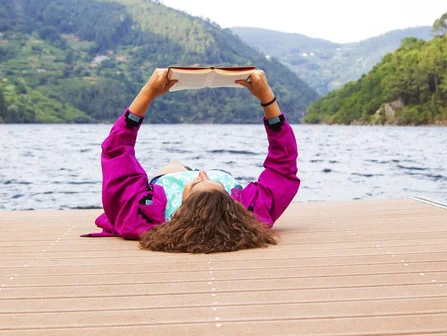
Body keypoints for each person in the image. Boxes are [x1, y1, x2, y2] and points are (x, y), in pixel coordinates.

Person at [84, 68, 300, 254]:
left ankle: (180, 171)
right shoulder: (252, 213)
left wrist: (148, 92)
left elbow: (116, 152)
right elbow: (283, 167)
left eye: (196, 183)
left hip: (168, 178)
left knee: (173, 166)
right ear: (234, 205)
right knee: (181, 167)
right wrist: (267, 98)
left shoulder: (141, 217)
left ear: (181, 210)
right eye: (222, 188)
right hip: (194, 191)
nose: (202, 173)